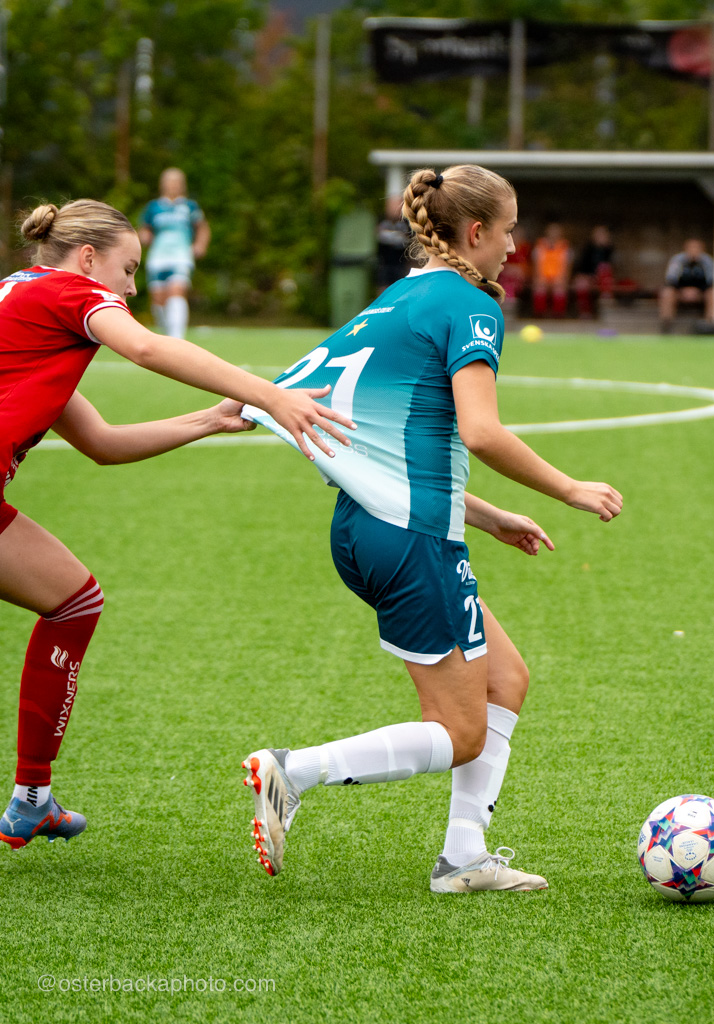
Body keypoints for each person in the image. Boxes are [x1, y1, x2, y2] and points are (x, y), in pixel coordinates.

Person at [241, 165, 622, 893]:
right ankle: (294, 770)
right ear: (475, 232)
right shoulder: (469, 304)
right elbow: (480, 432)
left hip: (367, 524)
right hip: (409, 535)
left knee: (506, 679)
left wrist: (488, 514)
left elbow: (393, 445)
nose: (514, 246)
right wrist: (569, 488)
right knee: (459, 731)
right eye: (508, 231)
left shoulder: (397, 297)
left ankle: (464, 857)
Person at [0, 199, 354, 851]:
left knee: (74, 601)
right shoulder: (69, 292)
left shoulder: (26, 306)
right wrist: (272, 395)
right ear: (88, 259)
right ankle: (31, 795)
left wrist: (210, 419)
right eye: (128, 270)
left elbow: (102, 443)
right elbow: (145, 346)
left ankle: (32, 798)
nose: (134, 289)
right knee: (74, 602)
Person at [138, 168, 209, 339]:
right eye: (170, 182)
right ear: (162, 185)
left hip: (181, 256)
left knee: (177, 290)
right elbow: (144, 229)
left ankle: (177, 338)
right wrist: (144, 237)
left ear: (183, 185)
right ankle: (167, 334)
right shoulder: (154, 207)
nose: (173, 185)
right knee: (158, 299)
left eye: (177, 182)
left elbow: (202, 227)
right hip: (158, 257)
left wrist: (200, 245)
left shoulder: (189, 206)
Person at [659, 238, 714, 333]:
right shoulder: (677, 260)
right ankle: (666, 324)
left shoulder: (707, 261)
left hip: (700, 293)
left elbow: (711, 281)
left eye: (697, 247)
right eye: (691, 247)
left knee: (713, 293)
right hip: (680, 292)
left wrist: (696, 291)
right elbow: (670, 280)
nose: (694, 250)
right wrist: (684, 291)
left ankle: (710, 324)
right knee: (667, 292)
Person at [531, 222, 573, 319]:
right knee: (539, 287)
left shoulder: (565, 246)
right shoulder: (540, 245)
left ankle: (558, 316)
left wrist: (564, 279)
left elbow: (568, 266)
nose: (554, 233)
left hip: (559, 278)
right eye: (551, 231)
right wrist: (538, 278)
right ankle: (540, 316)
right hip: (543, 277)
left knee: (559, 289)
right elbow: (536, 265)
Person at [573, 225, 615, 318]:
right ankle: (585, 312)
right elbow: (582, 268)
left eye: (603, 234)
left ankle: (606, 310)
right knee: (581, 284)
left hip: (602, 278)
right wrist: (589, 276)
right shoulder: (587, 249)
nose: (600, 237)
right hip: (587, 276)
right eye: (598, 234)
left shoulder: (609, 250)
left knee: (606, 275)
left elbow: (608, 267)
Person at [375, 196, 413, 294]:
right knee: (383, 290)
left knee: (400, 289)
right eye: (392, 206)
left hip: (400, 264)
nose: (394, 209)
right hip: (385, 264)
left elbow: (407, 240)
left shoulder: (407, 223)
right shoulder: (382, 221)